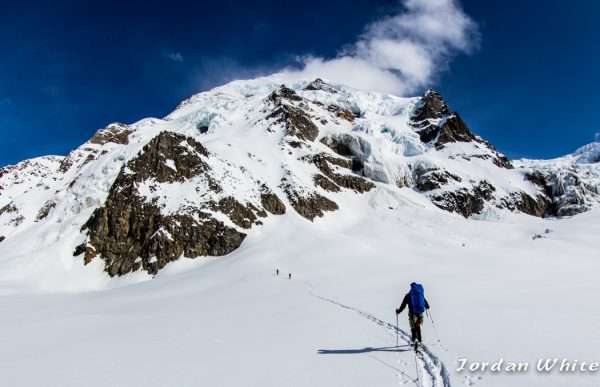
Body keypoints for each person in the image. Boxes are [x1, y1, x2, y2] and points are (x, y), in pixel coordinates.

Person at [396, 282, 430, 347]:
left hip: (412, 314)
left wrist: (398, 311)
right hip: (419, 314)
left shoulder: (408, 295)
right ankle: (419, 340)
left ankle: (414, 340)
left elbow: (403, 305)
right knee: (418, 326)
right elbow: (425, 303)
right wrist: (427, 306)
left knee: (413, 327)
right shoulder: (420, 294)